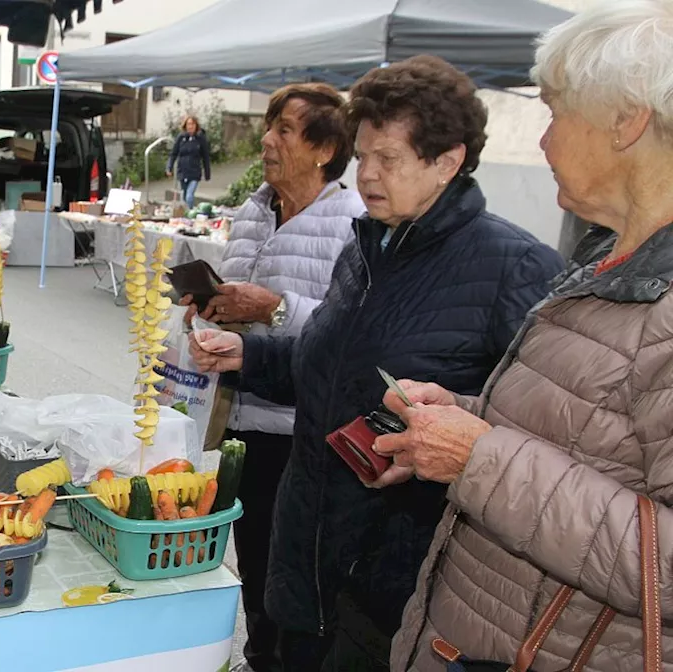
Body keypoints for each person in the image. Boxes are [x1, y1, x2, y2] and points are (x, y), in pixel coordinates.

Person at [187, 55, 564, 670]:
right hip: (306, 543)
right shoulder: (366, 247)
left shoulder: (515, 268)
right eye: (363, 157)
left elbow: (538, 435)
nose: (367, 175)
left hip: (395, 570)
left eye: (388, 159)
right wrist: (248, 354)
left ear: (448, 161)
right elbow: (325, 368)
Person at [374, 4, 673, 670]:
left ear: (629, 120)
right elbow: (588, 441)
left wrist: (480, 459)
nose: (543, 143)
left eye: (556, 111)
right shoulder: (606, 261)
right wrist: (462, 420)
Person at [179, 83, 364, 672]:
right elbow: (235, 299)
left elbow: (352, 332)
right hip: (240, 417)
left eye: (284, 129)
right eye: (271, 126)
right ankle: (260, 655)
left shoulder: (353, 222)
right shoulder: (254, 209)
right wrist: (210, 306)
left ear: (324, 149)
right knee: (252, 562)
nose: (266, 139)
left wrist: (274, 309)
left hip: (300, 429)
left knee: (294, 577)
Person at [166, 116, 212, 209]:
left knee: (189, 196)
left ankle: (190, 213)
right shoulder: (181, 138)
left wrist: (207, 173)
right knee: (184, 195)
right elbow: (173, 153)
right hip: (183, 171)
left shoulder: (200, 139)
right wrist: (169, 167)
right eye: (189, 124)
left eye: (192, 124)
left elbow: (205, 157)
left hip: (194, 171)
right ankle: (186, 214)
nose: (190, 126)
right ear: (185, 126)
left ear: (196, 126)